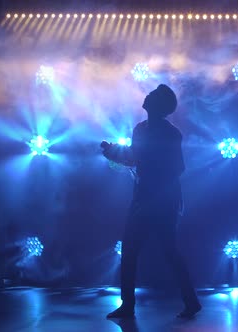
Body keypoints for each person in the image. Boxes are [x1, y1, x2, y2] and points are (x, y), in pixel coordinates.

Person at [102, 84, 201, 319]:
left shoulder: (171, 133)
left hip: (160, 201)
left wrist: (153, 179)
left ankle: (185, 302)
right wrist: (113, 152)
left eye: (153, 95)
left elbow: (178, 167)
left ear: (159, 105)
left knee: (161, 252)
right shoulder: (141, 129)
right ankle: (133, 305)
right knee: (138, 251)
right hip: (146, 198)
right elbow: (135, 157)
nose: (147, 95)